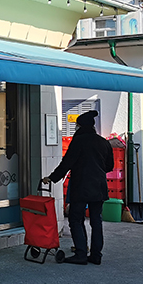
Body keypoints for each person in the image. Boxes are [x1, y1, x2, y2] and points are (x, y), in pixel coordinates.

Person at [42, 110, 113, 265]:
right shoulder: (103, 142)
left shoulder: (79, 141)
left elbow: (67, 163)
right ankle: (96, 255)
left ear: (81, 126)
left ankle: (81, 253)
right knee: (96, 220)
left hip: (81, 186)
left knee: (75, 218)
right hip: (99, 187)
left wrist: (52, 178)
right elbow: (109, 166)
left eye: (77, 125)